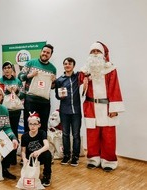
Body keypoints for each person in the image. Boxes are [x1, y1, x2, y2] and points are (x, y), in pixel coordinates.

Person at [80, 41, 125, 172]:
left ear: (103, 54)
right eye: (92, 51)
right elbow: (79, 89)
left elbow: (114, 88)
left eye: (97, 51)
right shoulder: (84, 70)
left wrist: (114, 109)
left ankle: (109, 161)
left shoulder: (110, 69)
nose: (95, 54)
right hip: (91, 106)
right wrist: (84, 82)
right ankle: (93, 159)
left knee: (108, 136)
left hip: (106, 107)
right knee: (92, 135)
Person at [18, 44, 57, 133]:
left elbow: (52, 87)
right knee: (29, 125)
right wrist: (30, 75)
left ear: (50, 55)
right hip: (30, 100)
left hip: (45, 102)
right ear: (41, 52)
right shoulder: (31, 63)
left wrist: (54, 82)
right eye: (44, 51)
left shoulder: (53, 69)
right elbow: (20, 77)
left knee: (43, 126)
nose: (45, 54)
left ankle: (43, 146)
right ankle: (27, 146)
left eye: (48, 53)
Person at [54, 57, 84, 166]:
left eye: (69, 63)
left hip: (76, 111)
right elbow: (57, 95)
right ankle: (66, 156)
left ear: (73, 66)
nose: (67, 65)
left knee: (76, 134)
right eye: (65, 63)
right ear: (63, 66)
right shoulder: (59, 80)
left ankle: (75, 157)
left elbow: (87, 73)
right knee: (65, 134)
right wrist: (60, 96)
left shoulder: (77, 77)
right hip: (64, 111)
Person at [0, 61, 24, 165]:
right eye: (5, 68)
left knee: (13, 132)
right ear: (3, 70)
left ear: (12, 69)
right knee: (4, 134)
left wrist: (17, 91)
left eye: (9, 67)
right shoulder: (0, 81)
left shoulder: (17, 81)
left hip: (15, 111)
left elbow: (23, 95)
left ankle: (13, 158)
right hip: (3, 111)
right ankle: (5, 158)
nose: (7, 69)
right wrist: (7, 91)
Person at [21, 112, 52, 187]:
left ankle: (47, 176)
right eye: (31, 124)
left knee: (48, 154)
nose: (33, 126)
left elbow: (47, 146)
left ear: (39, 125)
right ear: (28, 125)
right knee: (30, 175)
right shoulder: (24, 136)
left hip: (40, 155)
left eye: (35, 124)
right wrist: (24, 158)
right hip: (30, 157)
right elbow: (23, 151)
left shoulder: (42, 133)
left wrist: (38, 151)